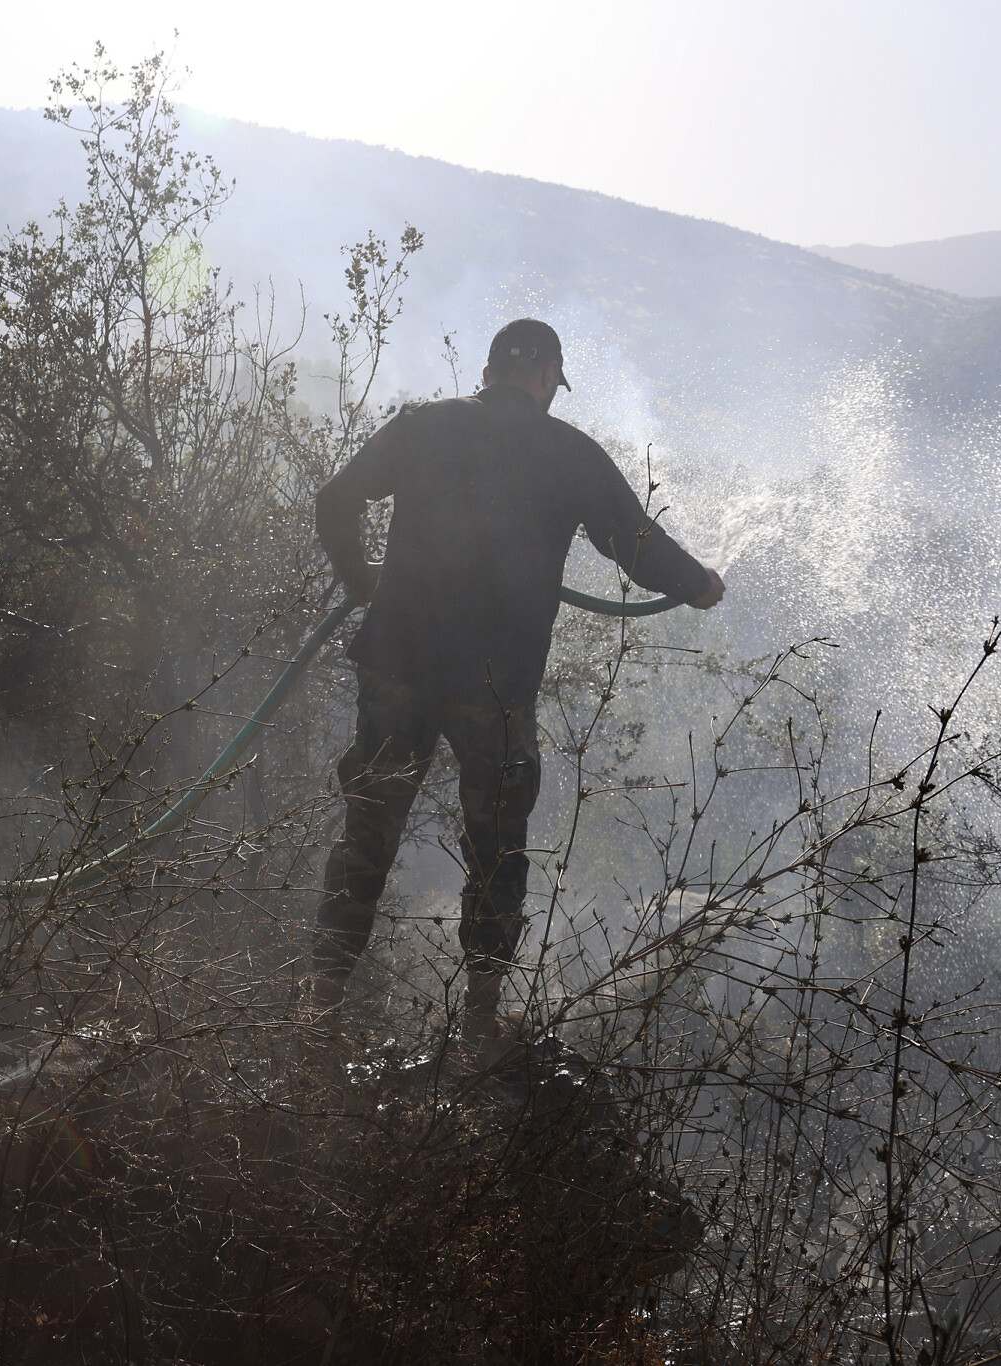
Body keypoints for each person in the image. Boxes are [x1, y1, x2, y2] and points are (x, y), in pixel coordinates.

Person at [308, 318, 725, 1045]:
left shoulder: (422, 426)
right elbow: (636, 544)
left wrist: (359, 574)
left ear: (490, 370)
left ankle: (319, 1013)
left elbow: (334, 500)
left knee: (366, 834)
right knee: (496, 849)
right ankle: (478, 1024)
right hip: (493, 690)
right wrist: (697, 584)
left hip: (397, 667)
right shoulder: (570, 453)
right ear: (544, 378)